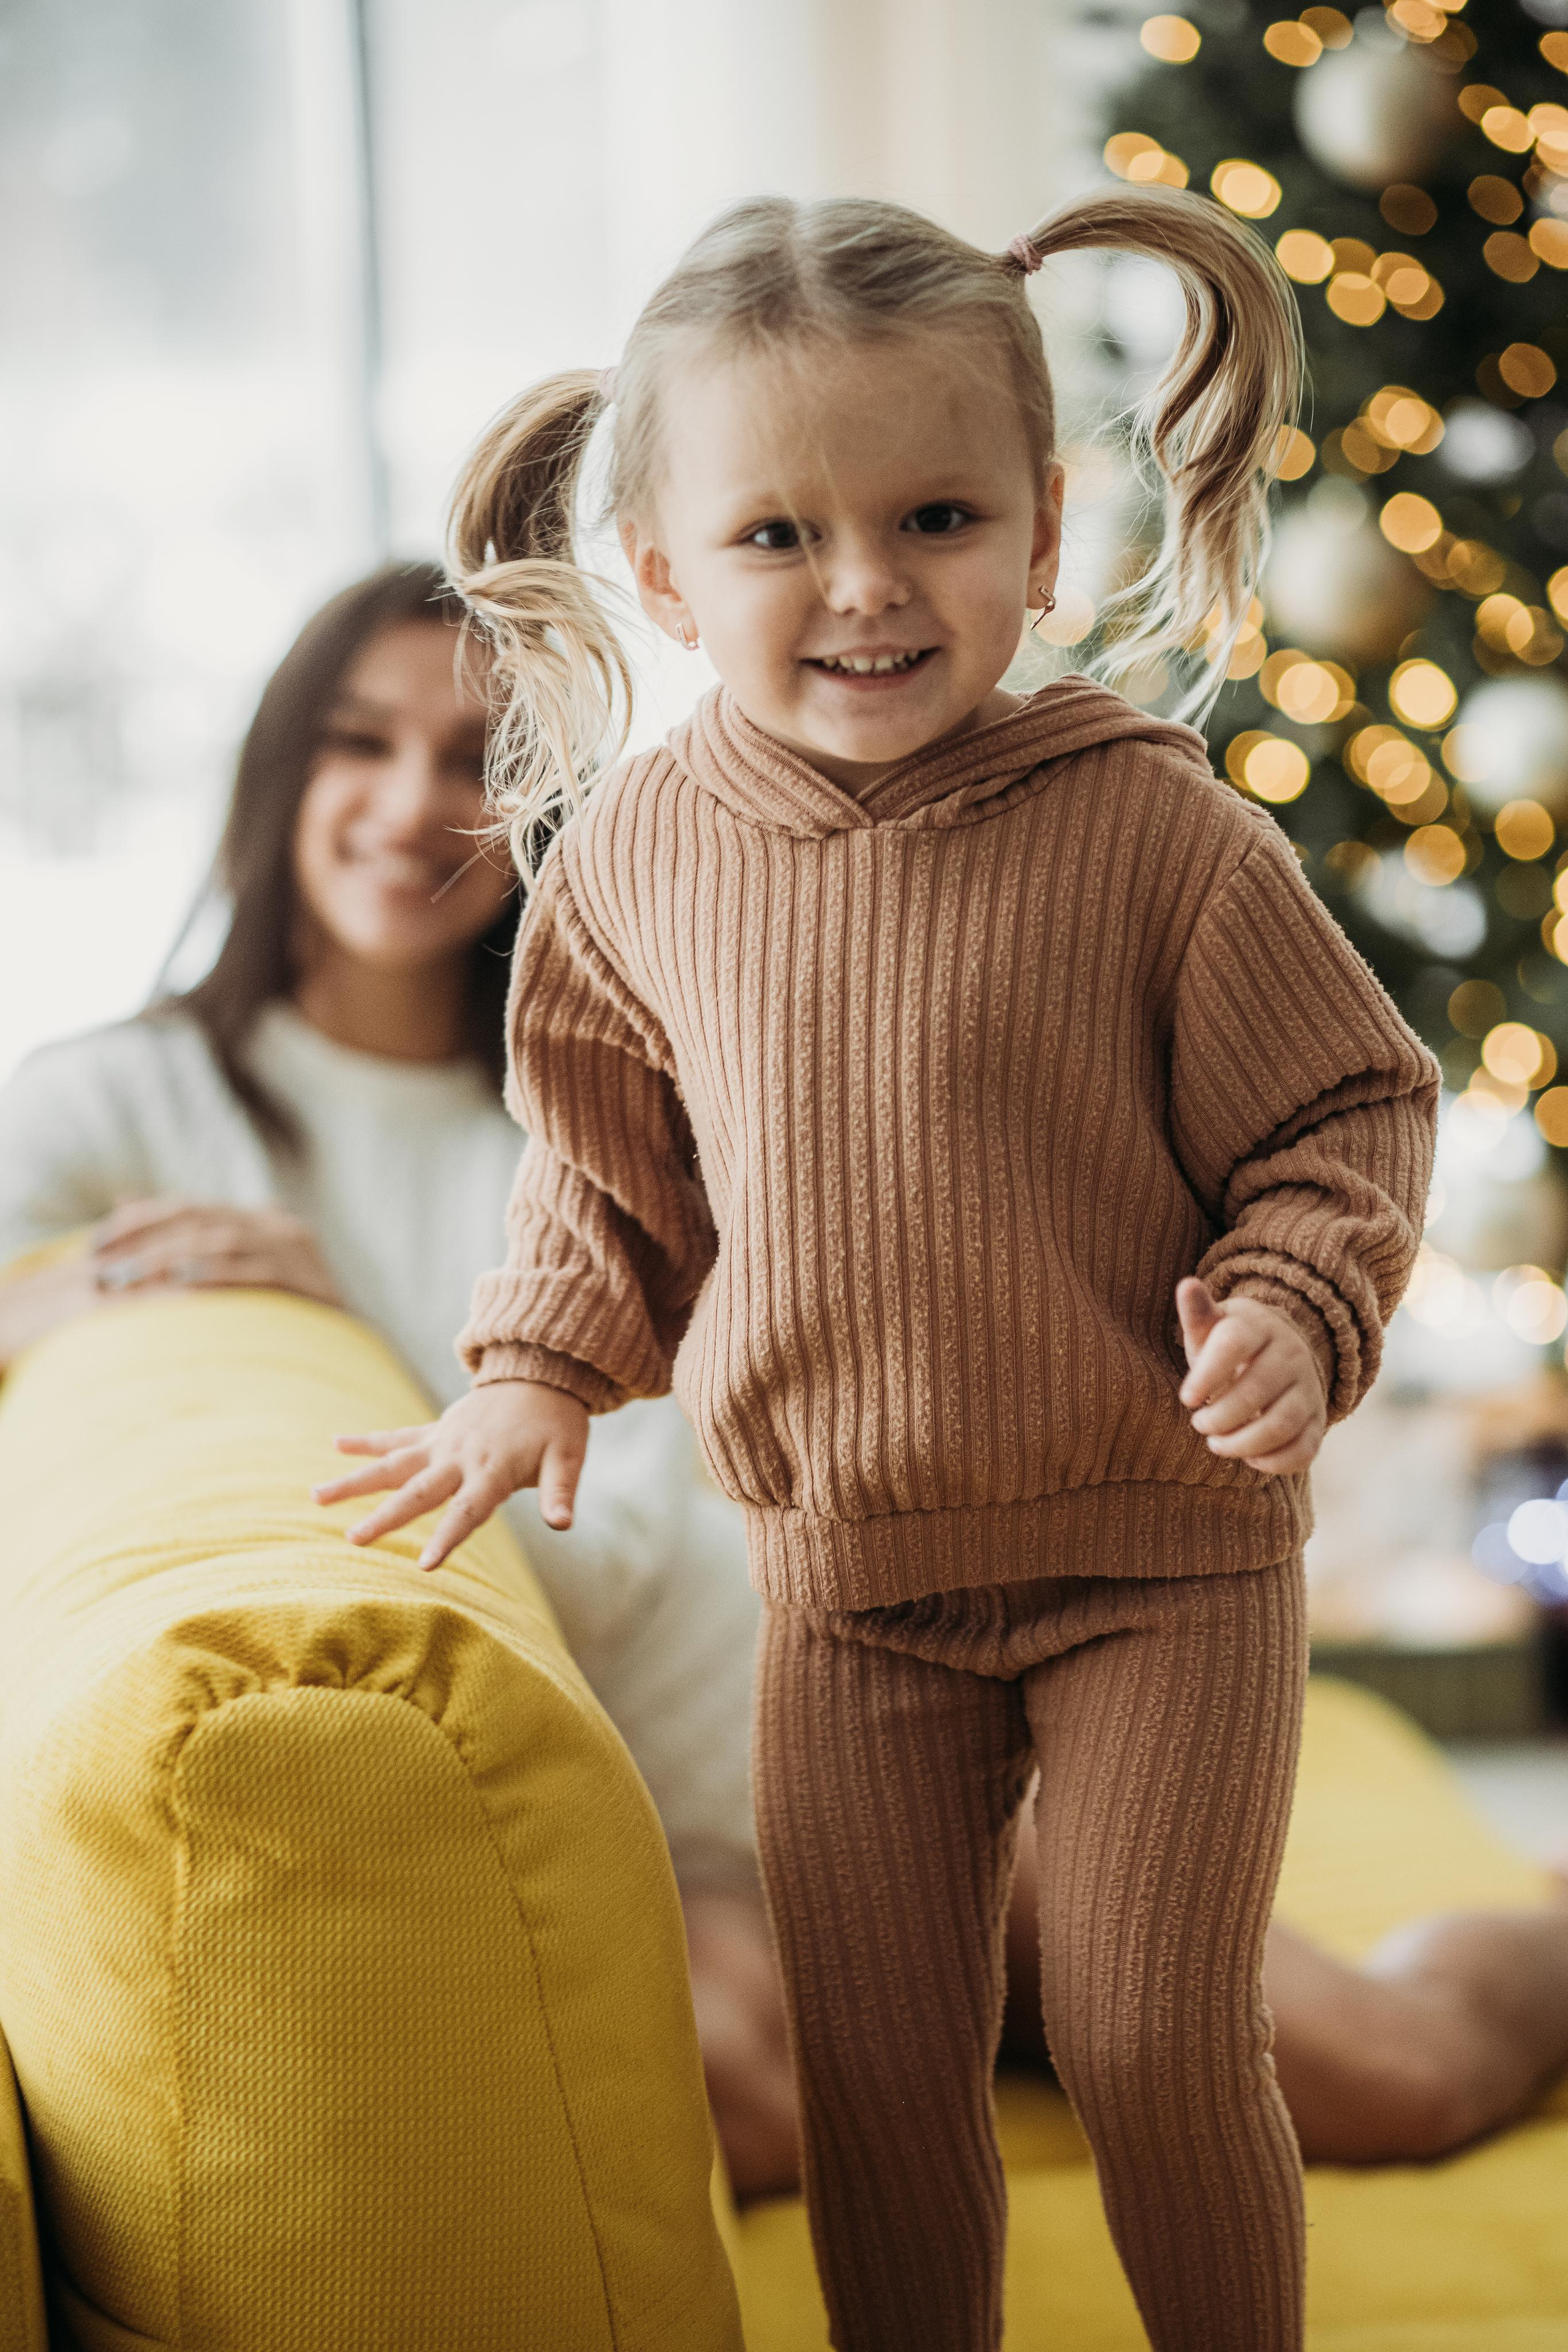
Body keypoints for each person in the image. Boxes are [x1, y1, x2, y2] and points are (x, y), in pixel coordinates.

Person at [2, 572, 1563, 2228]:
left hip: (866, 1700)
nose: (409, 807)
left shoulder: (631, 1062)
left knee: (1397, 2077)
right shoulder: (131, 1098)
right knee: (753, 2103)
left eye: (470, 757)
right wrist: (98, 1294)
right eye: (356, 746)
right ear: (278, 777)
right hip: (634, 1823)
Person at [314, 183, 1448, 2352]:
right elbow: (604, 1176)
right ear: (660, 567)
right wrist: (533, 1369)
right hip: (848, 1585)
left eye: (936, 517)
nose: (863, 589)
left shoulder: (1158, 834)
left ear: (1040, 527)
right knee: (883, 2077)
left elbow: (1348, 1115)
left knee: (1137, 2037)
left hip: (1165, 1560)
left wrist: (1304, 1306)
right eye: (776, 539)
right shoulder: (635, 857)